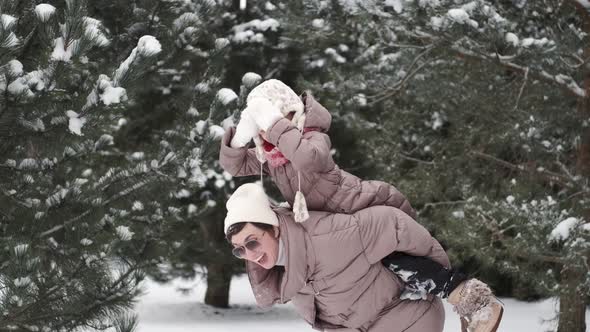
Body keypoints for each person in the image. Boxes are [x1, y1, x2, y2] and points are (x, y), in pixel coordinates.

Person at [219, 80, 503, 332]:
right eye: (263, 130)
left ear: (289, 115)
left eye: (272, 125)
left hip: (354, 206)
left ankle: (472, 299)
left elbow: (307, 159)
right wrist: (242, 133)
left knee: (397, 262)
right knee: (379, 273)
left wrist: (272, 121)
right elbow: (234, 164)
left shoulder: (312, 136)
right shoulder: (275, 159)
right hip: (330, 226)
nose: (268, 136)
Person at [224, 183, 501, 332]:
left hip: (409, 321)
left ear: (272, 228)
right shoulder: (285, 276)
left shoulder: (324, 237)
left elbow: (388, 222)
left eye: (252, 242)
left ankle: (473, 300)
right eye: (240, 250)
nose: (250, 254)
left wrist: (450, 284)